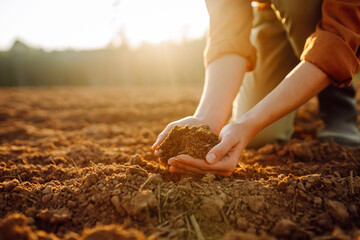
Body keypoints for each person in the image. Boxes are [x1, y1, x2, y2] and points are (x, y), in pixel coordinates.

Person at [152, 0, 360, 176]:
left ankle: (338, 103)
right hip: (272, 16)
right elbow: (227, 37)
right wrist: (208, 119)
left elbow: (340, 36)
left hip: (332, 20)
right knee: (260, 135)